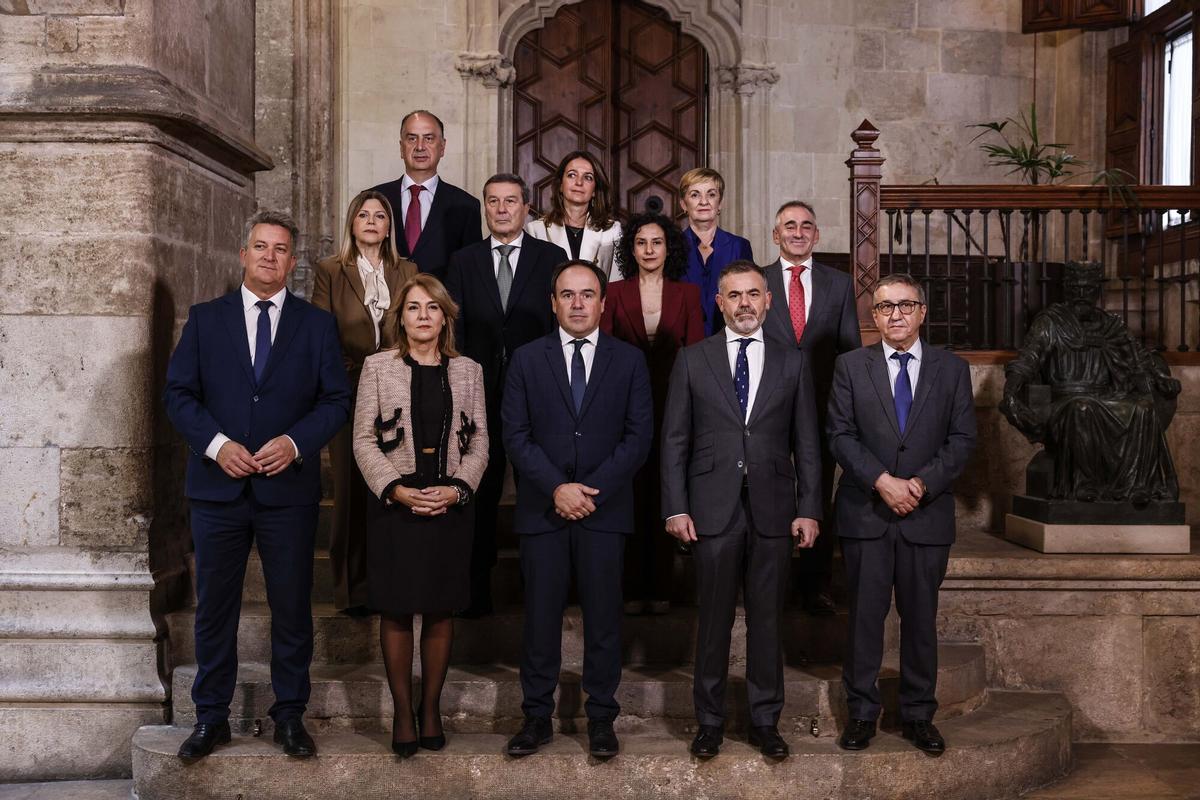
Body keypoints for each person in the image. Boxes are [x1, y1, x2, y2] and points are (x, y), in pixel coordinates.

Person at [163, 211, 351, 761]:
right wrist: (218, 446)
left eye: (280, 250)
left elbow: (336, 401)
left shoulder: (314, 326)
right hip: (217, 493)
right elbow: (179, 395)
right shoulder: (205, 319)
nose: (269, 256)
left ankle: (290, 716)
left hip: (287, 491)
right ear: (242, 255)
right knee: (214, 610)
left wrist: (295, 443)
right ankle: (211, 718)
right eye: (260, 247)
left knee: (292, 608)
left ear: (292, 263)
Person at [660, 261, 822, 760]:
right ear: (720, 301)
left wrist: (810, 507)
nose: (745, 303)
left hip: (775, 508)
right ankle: (708, 721)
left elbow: (808, 444)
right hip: (711, 508)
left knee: (767, 620)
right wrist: (675, 508)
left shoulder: (792, 361)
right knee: (712, 620)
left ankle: (764, 720)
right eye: (734, 295)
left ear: (768, 300)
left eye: (753, 294)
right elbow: (674, 441)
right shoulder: (692, 359)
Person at [501, 260, 653, 759]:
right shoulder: (525, 359)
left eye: (588, 294)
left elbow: (638, 438)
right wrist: (557, 489)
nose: (578, 303)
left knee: (604, 619)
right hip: (544, 511)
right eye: (568, 294)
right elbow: (515, 436)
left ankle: (602, 718)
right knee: (540, 620)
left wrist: (592, 490)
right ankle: (536, 717)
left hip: (604, 511)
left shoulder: (629, 361)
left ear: (603, 303)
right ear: (553, 302)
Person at [826, 273, 977, 755]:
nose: (896, 314)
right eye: (886, 307)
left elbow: (963, 440)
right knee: (864, 621)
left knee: (920, 621)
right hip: (866, 513)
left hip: (926, 516)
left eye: (906, 305)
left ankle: (918, 715)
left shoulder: (951, 369)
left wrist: (921, 484)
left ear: (922, 312)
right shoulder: (850, 366)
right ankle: (862, 714)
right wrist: (882, 481)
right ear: (874, 316)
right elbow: (840, 435)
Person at [351, 273, 489, 757]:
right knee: (395, 607)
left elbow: (481, 443)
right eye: (413, 308)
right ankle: (402, 712)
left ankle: (430, 709)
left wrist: (457, 490)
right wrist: (396, 489)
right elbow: (364, 439)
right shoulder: (377, 367)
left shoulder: (468, 369)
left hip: (449, 503)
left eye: (432, 308)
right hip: (396, 504)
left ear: (445, 316)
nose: (423, 316)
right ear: (401, 317)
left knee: (438, 608)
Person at [444, 173, 569, 617]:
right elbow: (453, 327)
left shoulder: (551, 257)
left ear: (525, 207)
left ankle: (545, 591)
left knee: (540, 485)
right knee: (480, 488)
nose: (501, 209)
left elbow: (562, 323)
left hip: (538, 393)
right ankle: (475, 589)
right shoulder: (464, 259)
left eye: (510, 201)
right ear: (485, 207)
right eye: (493, 201)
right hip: (478, 393)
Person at [311, 189, 417, 616]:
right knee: (352, 493)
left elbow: (418, 323)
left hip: (399, 391)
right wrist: (349, 374)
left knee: (396, 484)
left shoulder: (407, 269)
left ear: (390, 226)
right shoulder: (330, 271)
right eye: (363, 215)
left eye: (380, 215)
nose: (372, 221)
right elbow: (320, 334)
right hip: (348, 388)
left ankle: (392, 582)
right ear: (352, 223)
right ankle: (351, 590)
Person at [761, 200, 862, 615]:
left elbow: (850, 351)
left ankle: (815, 586)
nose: (798, 232)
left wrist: (848, 410)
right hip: (766, 406)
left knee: (816, 492)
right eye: (789, 225)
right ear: (776, 234)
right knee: (769, 491)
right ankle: (771, 582)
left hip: (821, 408)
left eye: (806, 226)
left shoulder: (839, 285)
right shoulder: (758, 280)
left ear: (816, 235)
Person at [601, 211, 703, 615]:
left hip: (673, 403)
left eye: (657, 242)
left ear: (669, 248)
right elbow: (606, 354)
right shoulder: (615, 290)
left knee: (666, 490)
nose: (648, 249)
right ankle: (629, 588)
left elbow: (696, 354)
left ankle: (662, 586)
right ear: (631, 248)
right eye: (641, 242)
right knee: (630, 492)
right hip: (625, 407)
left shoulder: (688, 294)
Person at [371, 110, 483, 277]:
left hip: (441, 302)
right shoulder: (373, 198)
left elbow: (471, 273)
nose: (420, 146)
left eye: (429, 139)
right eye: (412, 138)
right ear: (402, 147)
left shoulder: (466, 205)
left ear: (442, 147)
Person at [677, 167, 754, 336]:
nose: (704, 201)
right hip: (683, 341)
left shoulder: (739, 246)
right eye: (695, 195)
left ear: (720, 203)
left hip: (728, 338)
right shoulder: (671, 247)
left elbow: (748, 297)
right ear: (683, 204)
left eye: (711, 194)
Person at [526, 150, 623, 279]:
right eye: (572, 175)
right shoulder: (536, 230)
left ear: (594, 190)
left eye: (588, 177)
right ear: (560, 185)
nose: (579, 182)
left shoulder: (612, 230)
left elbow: (616, 281)